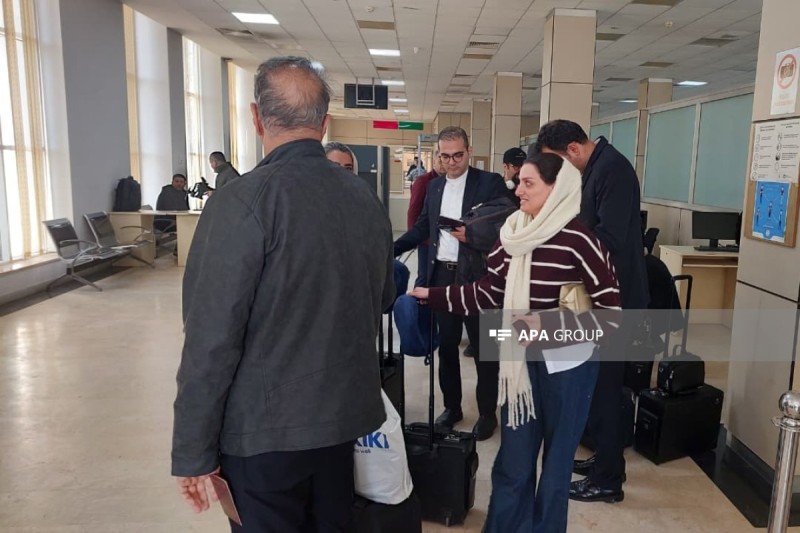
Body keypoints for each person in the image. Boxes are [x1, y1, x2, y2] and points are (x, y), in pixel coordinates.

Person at [172, 56, 394, 532]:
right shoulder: (364, 199)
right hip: (340, 422)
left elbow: (210, 338)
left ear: (257, 118)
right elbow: (383, 297)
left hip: (262, 434)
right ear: (324, 122)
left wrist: (193, 450)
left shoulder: (241, 201)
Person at [410, 153, 621, 532]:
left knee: (556, 469)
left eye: (528, 183)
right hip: (520, 363)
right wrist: (435, 295)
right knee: (514, 463)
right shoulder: (512, 233)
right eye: (518, 181)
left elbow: (611, 317)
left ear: (556, 189)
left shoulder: (580, 241)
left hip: (568, 369)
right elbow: (489, 291)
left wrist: (548, 324)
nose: (517, 190)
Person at [533, 119, 648, 503]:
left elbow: (609, 239)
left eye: (558, 162)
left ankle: (608, 480)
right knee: (599, 388)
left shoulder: (612, 170)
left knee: (604, 391)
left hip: (615, 301)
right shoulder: (597, 168)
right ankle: (606, 460)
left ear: (573, 150)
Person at [394, 126, 507, 440]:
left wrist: (472, 235)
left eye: (458, 155)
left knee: (485, 349)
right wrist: (392, 248)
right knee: (446, 347)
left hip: (477, 277)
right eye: (445, 156)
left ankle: (487, 413)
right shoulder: (434, 187)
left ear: (469, 151)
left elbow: (506, 223)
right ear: (438, 156)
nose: (452, 162)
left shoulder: (489, 183)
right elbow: (423, 227)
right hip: (441, 276)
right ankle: (452, 407)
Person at [406, 150, 445, 288]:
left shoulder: (449, 181)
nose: (443, 163)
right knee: (424, 276)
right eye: (440, 159)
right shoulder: (424, 181)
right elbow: (413, 211)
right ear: (434, 161)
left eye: (445, 159)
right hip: (427, 239)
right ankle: (416, 301)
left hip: (444, 239)